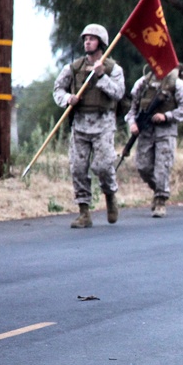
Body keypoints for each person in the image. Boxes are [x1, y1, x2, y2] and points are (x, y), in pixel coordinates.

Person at [52, 24, 126, 229]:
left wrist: (101, 76)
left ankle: (110, 195)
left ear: (101, 43)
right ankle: (84, 212)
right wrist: (68, 98)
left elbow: (119, 93)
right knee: (77, 168)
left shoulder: (113, 69)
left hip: (103, 124)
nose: (87, 42)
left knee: (102, 165)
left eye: (92, 39)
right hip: (80, 124)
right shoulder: (73, 68)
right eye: (85, 39)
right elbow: (57, 89)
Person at [125, 65, 183, 217]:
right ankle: (158, 190)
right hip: (146, 130)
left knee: (162, 167)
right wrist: (132, 123)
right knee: (143, 167)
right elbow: (132, 109)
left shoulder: (176, 84)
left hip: (166, 131)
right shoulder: (142, 83)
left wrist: (167, 116)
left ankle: (161, 200)